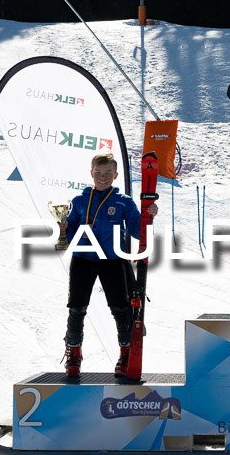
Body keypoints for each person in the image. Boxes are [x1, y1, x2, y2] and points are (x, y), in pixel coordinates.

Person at [59, 153, 158, 377]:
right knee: (77, 307)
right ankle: (74, 353)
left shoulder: (123, 201)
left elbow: (135, 230)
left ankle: (125, 354)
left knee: (120, 308)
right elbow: (71, 231)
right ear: (91, 173)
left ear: (115, 175)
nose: (102, 177)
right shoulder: (79, 201)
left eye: (107, 174)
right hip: (83, 258)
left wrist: (147, 217)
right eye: (98, 173)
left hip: (113, 260)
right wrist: (64, 230)